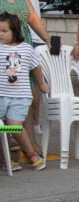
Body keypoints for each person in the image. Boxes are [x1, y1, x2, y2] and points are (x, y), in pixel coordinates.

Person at [0, 12, 48, 171]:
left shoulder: (27, 49)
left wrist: (41, 84)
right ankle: (7, 159)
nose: (1, 34)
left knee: (13, 126)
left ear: (15, 31)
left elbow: (36, 68)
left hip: (20, 97)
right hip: (1, 96)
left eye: (4, 31)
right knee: (1, 129)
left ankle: (31, 154)